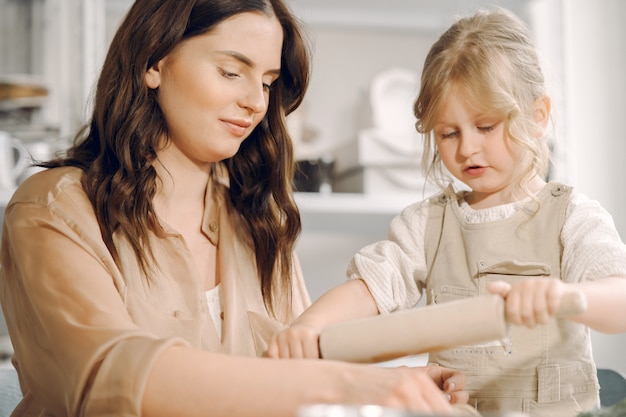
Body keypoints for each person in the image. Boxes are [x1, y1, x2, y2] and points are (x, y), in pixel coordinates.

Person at [0, 0, 470, 416]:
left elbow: (299, 370)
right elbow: (108, 375)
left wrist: (393, 385)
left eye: (267, 82)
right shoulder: (54, 208)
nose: (254, 103)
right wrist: (354, 384)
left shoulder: (259, 222)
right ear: (153, 62)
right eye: (231, 72)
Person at [267, 7, 626, 417]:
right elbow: (370, 287)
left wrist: (567, 297)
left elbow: (620, 301)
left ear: (538, 116)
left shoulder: (573, 217)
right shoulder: (425, 225)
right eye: (448, 133)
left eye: (486, 126)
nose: (467, 148)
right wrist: (310, 326)